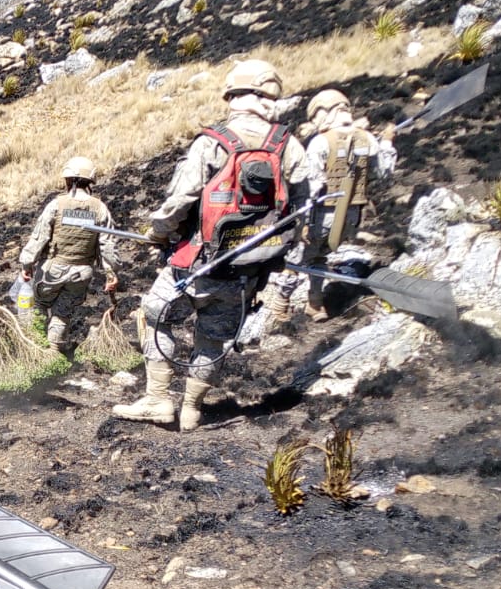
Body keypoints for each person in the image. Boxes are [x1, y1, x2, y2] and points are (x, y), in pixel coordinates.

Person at [113, 60, 313, 431]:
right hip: (248, 269)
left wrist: (159, 231)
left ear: (233, 96)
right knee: (215, 337)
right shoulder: (289, 147)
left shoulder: (213, 143)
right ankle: (191, 409)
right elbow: (302, 205)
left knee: (156, 315)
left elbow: (180, 200)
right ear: (270, 98)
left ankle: (158, 400)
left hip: (197, 262)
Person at [267, 88, 397, 323]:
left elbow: (311, 188)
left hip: (322, 215)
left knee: (296, 259)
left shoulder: (320, 142)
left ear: (322, 112)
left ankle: (280, 305)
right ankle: (315, 304)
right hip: (351, 217)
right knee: (320, 257)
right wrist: (387, 143)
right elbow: (383, 173)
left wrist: (301, 223)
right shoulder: (367, 139)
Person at [17, 156, 121, 357]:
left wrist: (27, 264)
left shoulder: (57, 205)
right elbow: (107, 245)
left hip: (52, 270)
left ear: (68, 180)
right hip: (81, 273)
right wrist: (111, 273)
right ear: (90, 181)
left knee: (38, 305)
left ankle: (35, 348)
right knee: (62, 313)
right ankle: (54, 351)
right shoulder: (100, 209)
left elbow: (39, 237)